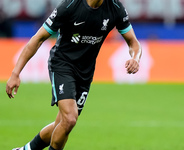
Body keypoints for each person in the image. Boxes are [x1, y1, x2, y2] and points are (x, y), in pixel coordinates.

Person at [6, 0, 142, 150]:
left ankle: (25, 149)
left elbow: (133, 43)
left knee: (62, 124)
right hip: (62, 64)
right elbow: (38, 38)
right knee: (70, 119)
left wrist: (135, 58)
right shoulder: (70, 6)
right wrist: (15, 73)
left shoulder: (115, 8)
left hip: (85, 73)